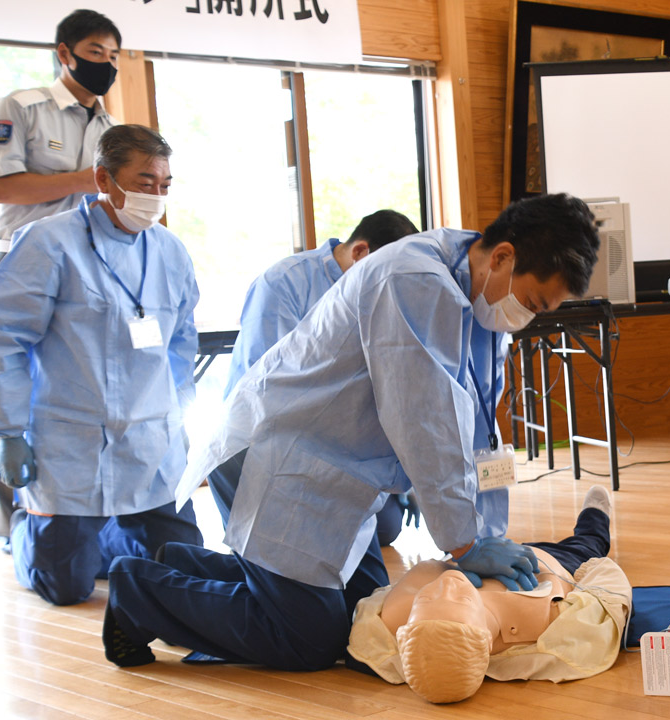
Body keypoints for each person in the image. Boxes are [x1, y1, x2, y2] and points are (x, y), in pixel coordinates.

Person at [102, 192, 601, 670]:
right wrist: (465, 543)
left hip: (338, 471)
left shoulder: (478, 297)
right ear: (504, 255)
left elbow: (476, 433)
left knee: (363, 621)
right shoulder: (414, 278)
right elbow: (424, 420)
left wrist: (485, 535)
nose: (526, 317)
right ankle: (139, 591)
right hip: (283, 457)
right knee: (310, 640)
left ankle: (189, 569)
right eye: (533, 301)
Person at [0, 124, 203, 606]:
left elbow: (181, 341)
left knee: (185, 569)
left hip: (148, 442)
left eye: (164, 186)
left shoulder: (170, 250)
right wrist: (9, 432)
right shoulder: (49, 242)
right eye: (143, 184)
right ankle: (27, 533)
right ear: (103, 179)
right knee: (66, 588)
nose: (155, 197)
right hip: (70, 444)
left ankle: (109, 536)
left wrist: (177, 412)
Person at [0, 8, 122, 549]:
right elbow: (4, 190)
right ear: (64, 54)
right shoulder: (22, 108)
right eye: (95, 54)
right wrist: (86, 180)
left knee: (83, 388)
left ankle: (78, 521)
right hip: (20, 261)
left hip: (87, 266)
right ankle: (7, 526)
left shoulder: (111, 127)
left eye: (112, 57)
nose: (105, 66)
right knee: (9, 387)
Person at [208, 209, 419, 536]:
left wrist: (407, 478)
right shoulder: (283, 283)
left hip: (336, 441)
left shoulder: (376, 290)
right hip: (264, 443)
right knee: (291, 557)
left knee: (385, 530)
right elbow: (271, 394)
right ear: (360, 252)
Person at [347, 486, 630, 704]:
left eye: (426, 598)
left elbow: (369, 630)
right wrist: (560, 572)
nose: (447, 584)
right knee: (588, 543)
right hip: (557, 560)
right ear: (484, 635)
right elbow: (607, 598)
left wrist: (462, 556)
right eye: (463, 599)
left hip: (474, 555)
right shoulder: (540, 627)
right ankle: (594, 516)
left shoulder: (397, 616)